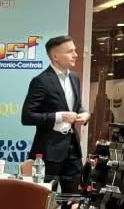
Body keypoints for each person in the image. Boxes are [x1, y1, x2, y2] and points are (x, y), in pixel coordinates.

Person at [22, 35, 88, 193]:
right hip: (48, 151)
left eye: (75, 50)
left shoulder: (74, 78)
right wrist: (60, 116)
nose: (75, 55)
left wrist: (85, 114)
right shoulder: (41, 81)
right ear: (55, 56)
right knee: (44, 198)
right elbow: (27, 116)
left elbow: (77, 106)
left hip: (73, 148)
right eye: (70, 51)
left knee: (74, 198)